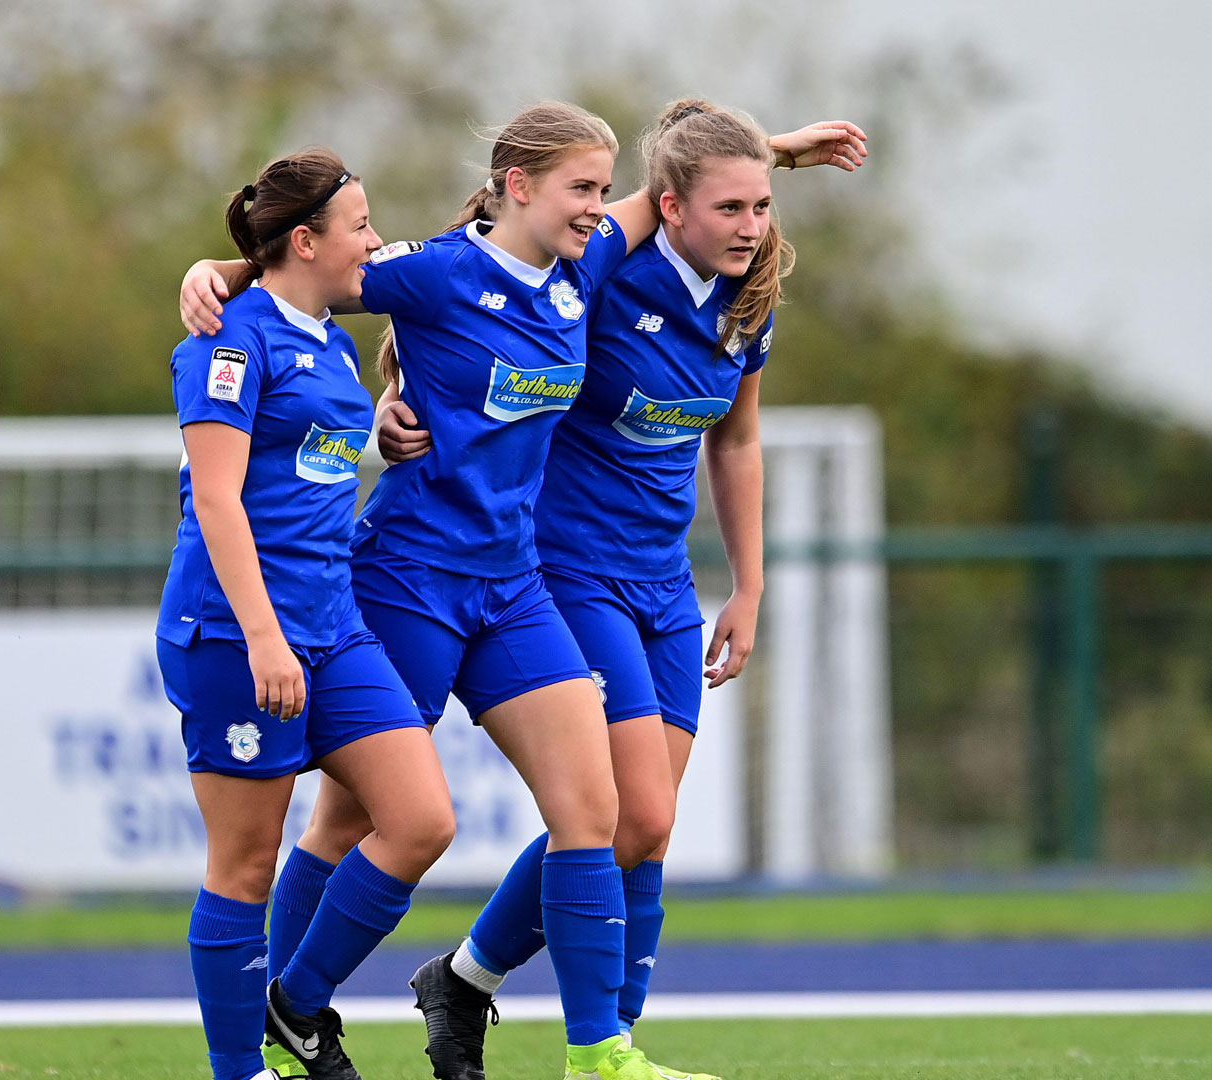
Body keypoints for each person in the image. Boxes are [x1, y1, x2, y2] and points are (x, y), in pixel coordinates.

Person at [178, 104, 866, 1080]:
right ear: (517, 186)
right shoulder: (437, 271)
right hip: (411, 576)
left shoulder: (583, 268)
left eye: (600, 188)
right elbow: (310, 274)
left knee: (600, 811)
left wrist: (780, 152)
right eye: (580, 188)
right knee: (348, 822)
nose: (598, 206)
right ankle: (286, 1018)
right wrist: (218, 274)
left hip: (514, 585)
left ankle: (600, 1054)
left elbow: (669, 192)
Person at [380, 100, 863, 1080]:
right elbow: (468, 305)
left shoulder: (746, 300)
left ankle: (468, 982)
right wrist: (394, 397)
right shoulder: (603, 268)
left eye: (764, 205)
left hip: (663, 584)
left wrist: (750, 587)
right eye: (731, 207)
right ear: (671, 207)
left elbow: (736, 440)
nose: (753, 225)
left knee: (640, 824)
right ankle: (602, 1051)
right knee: (625, 810)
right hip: (565, 570)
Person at [158, 148, 456, 1080]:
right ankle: (236, 1070)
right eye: (361, 226)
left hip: (335, 626)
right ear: (305, 240)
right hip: (237, 636)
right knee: (245, 868)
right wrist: (261, 638)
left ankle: (292, 1006)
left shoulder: (326, 334)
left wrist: (380, 428)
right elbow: (217, 503)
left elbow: (506, 242)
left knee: (420, 820)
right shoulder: (226, 342)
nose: (375, 240)